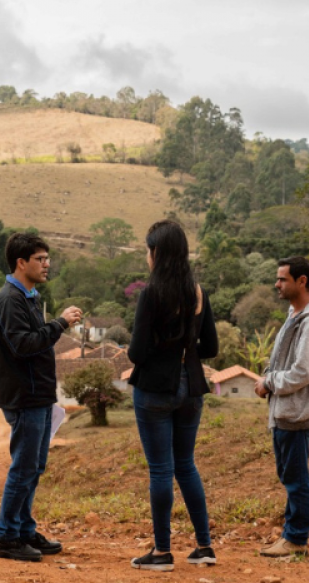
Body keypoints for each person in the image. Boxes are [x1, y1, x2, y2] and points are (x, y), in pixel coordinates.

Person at [126, 220, 219, 571]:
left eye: (149, 249)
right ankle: (204, 547)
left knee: (161, 470)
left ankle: (162, 552)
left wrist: (158, 351)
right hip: (191, 388)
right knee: (186, 466)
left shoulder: (151, 294)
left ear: (158, 253)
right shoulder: (198, 293)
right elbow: (209, 346)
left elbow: (136, 352)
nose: (147, 255)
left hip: (155, 389)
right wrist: (184, 350)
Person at [0, 233, 83, 562]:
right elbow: (23, 345)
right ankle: (6, 538)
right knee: (23, 469)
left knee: (35, 467)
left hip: (40, 396)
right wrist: (59, 323)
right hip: (24, 398)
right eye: (40, 259)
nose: (47, 264)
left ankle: (24, 530)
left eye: (47, 258)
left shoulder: (28, 297)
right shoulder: (10, 300)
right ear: (21, 262)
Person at [254, 256, 309, 558]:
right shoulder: (295, 315)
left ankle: (297, 539)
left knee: (296, 478)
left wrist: (270, 383)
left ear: (301, 281)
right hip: (285, 411)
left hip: (296, 411)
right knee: (290, 475)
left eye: (282, 279)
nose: (277, 284)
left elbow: (303, 371)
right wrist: (269, 379)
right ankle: (290, 535)